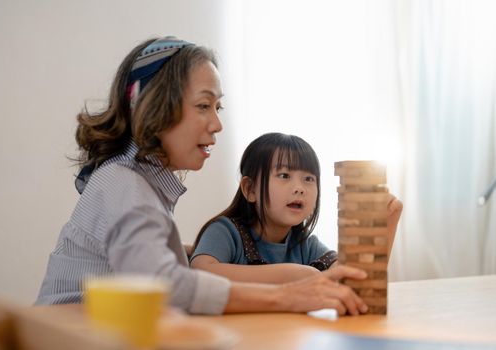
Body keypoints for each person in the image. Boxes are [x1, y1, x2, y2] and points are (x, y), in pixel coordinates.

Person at [36, 36, 369, 316]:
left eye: (217, 108)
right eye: (203, 106)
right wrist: (286, 295)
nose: (217, 124)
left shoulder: (133, 184)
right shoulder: (125, 185)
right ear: (157, 107)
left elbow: (141, 260)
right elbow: (165, 286)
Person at [191, 133, 403, 284]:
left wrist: (386, 224)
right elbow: (200, 273)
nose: (300, 188)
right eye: (284, 175)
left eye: (309, 179)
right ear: (250, 189)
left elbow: (351, 278)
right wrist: (292, 275)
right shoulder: (226, 231)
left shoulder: (305, 244)